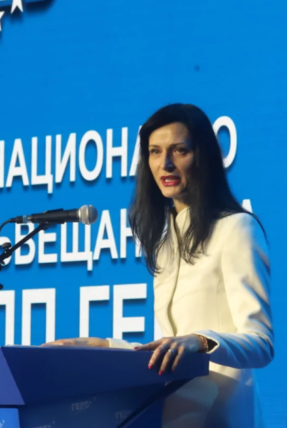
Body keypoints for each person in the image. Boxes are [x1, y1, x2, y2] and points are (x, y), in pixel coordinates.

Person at [45, 103, 274, 428]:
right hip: (174, 414)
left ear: (203, 156)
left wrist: (200, 341)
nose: (165, 163)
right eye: (154, 152)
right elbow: (170, 346)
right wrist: (105, 346)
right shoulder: (166, 240)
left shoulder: (236, 228)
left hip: (223, 416)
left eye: (180, 150)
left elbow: (261, 343)